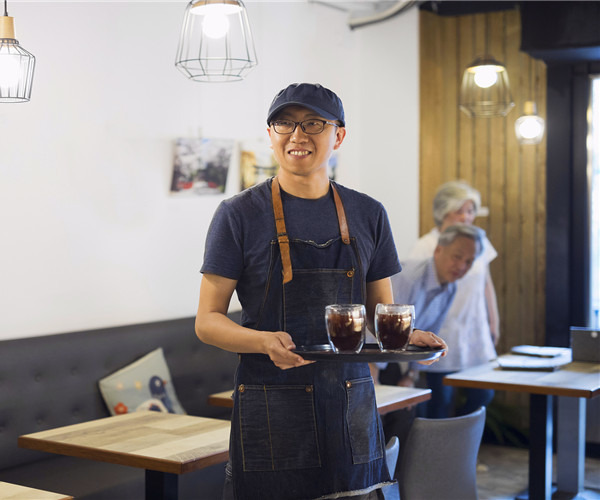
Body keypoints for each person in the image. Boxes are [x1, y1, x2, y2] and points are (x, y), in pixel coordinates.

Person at [195, 83, 447, 500]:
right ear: (271, 134)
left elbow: (382, 309)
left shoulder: (369, 213)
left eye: (313, 123)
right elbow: (207, 321)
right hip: (270, 404)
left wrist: (406, 338)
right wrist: (261, 340)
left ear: (338, 135)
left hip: (350, 403)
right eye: (285, 123)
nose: (298, 135)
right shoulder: (237, 215)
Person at [406, 181, 499, 418]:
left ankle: (463, 444)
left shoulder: (478, 240)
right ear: (444, 212)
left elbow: (486, 282)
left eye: (470, 211)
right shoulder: (426, 245)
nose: (466, 217)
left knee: (483, 395)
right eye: (460, 211)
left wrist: (493, 321)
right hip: (442, 329)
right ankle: (446, 449)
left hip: (474, 327)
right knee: (442, 400)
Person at [388, 224, 484, 424]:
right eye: (457, 257)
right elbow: (382, 326)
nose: (462, 267)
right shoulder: (408, 277)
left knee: (422, 407)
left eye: (469, 261)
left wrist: (411, 377)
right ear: (438, 250)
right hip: (372, 355)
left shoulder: (450, 287)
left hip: (402, 359)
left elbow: (430, 334)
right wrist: (375, 383)